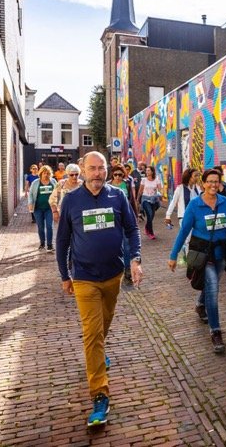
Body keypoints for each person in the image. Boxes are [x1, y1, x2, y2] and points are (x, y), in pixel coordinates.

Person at [56, 152, 143, 427]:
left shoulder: (118, 196)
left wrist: (135, 259)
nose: (97, 173)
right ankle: (100, 395)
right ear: (83, 170)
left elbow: (132, 229)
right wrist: (64, 275)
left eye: (101, 168)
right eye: (92, 168)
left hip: (113, 275)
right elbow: (62, 241)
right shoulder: (71, 200)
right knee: (92, 334)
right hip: (84, 277)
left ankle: (98, 353)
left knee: (103, 324)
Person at [168, 169, 226, 354]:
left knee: (212, 284)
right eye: (210, 181)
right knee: (213, 290)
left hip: (221, 254)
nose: (213, 185)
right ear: (203, 183)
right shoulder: (195, 205)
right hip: (203, 254)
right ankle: (215, 331)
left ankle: (200, 304)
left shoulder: (224, 202)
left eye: (216, 181)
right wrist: (173, 256)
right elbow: (183, 231)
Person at [109, 165, 140, 283]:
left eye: (120, 175)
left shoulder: (126, 184)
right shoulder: (107, 185)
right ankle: (115, 267)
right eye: (115, 175)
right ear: (112, 174)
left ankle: (127, 269)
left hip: (125, 217)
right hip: (111, 219)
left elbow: (132, 201)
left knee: (127, 245)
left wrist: (135, 215)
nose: (117, 177)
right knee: (114, 243)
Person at [165, 168, 201, 260]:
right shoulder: (180, 188)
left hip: (197, 218)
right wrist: (168, 216)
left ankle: (186, 251)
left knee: (195, 238)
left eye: (198, 175)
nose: (197, 177)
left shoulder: (197, 188)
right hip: (184, 217)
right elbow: (173, 202)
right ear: (189, 177)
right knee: (188, 239)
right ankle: (190, 260)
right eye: (195, 176)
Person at [27, 165, 56, 251]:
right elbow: (30, 194)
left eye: (48, 173)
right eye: (44, 173)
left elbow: (57, 192)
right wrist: (30, 203)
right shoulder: (35, 182)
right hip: (38, 208)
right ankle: (42, 243)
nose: (46, 175)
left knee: (49, 226)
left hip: (49, 208)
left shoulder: (53, 181)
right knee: (40, 227)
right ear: (41, 174)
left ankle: (50, 245)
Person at [138, 165, 163, 239]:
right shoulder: (144, 180)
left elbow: (160, 190)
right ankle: (151, 233)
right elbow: (140, 190)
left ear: (152, 172)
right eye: (146, 170)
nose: (147, 172)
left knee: (151, 216)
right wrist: (137, 200)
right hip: (145, 199)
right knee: (149, 214)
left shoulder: (157, 179)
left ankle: (146, 227)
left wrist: (160, 194)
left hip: (154, 200)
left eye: (148, 170)